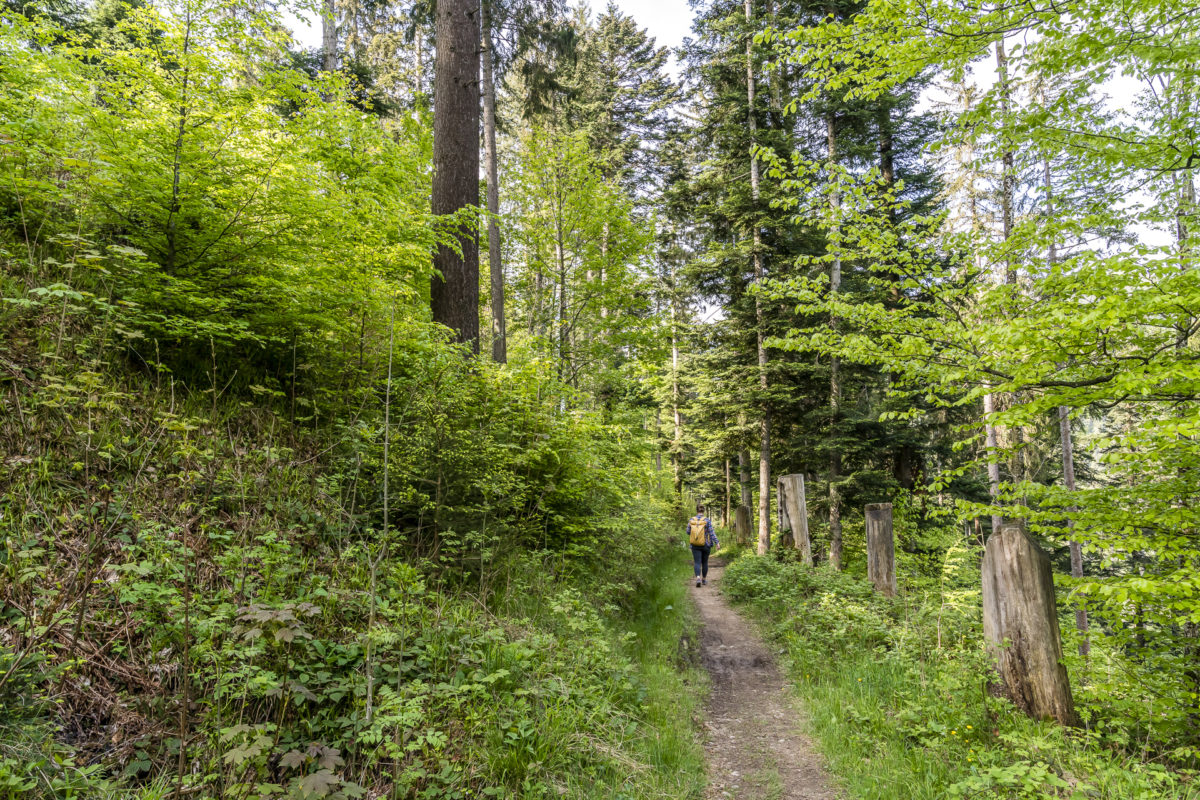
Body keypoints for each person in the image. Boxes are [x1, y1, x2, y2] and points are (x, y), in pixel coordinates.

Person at [686, 504, 718, 588]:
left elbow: (688, 532)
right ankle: (704, 579)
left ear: (696, 510)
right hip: (706, 545)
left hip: (695, 545)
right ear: (703, 511)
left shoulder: (691, 520)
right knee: (705, 562)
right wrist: (717, 542)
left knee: (697, 562)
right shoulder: (707, 520)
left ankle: (698, 578)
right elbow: (711, 533)